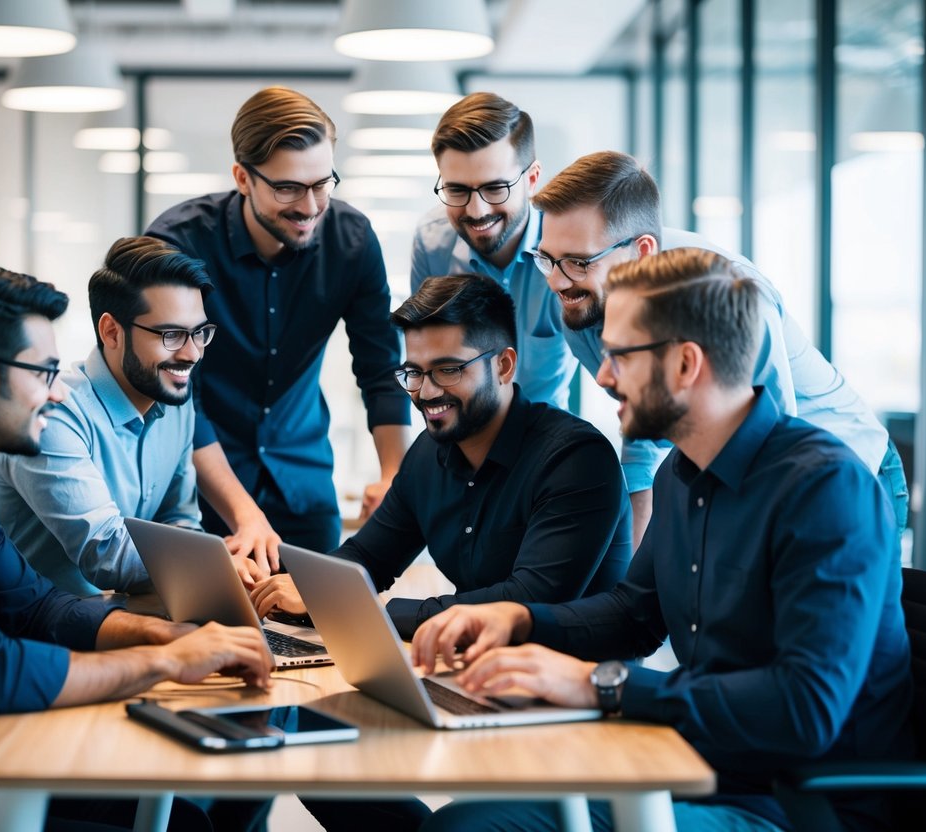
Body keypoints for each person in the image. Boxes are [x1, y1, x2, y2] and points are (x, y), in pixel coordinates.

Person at [411, 248, 913, 832]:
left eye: (619, 355)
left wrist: (598, 684)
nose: (601, 375)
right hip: (696, 766)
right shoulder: (682, 472)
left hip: (799, 806)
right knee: (470, 818)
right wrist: (518, 620)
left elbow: (803, 709)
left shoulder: (825, 489)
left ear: (685, 364)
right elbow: (634, 615)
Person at [0, 264, 273, 832]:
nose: (59, 392)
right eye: (44, 372)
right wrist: (163, 662)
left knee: (180, 821)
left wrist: (168, 634)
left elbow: (38, 607)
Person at [528, 150, 909, 549]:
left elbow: (777, 443)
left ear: (641, 251)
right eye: (548, 259)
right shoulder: (584, 307)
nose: (556, 281)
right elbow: (645, 424)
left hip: (846, 472)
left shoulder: (727, 293)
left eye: (577, 261)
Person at [251, 274, 630, 638]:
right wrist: (299, 586)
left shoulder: (575, 459)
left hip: (573, 688)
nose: (427, 392)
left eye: (448, 370)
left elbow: (527, 600)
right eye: (414, 373)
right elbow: (368, 556)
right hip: (472, 668)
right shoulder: (429, 453)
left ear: (504, 365)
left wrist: (362, 609)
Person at [147, 86, 411, 554]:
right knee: (209, 627)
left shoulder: (351, 242)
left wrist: (394, 477)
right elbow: (180, 394)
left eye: (322, 183)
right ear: (243, 178)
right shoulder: (178, 244)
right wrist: (245, 516)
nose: (309, 207)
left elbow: (380, 368)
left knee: (316, 624)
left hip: (303, 482)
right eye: (287, 187)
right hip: (202, 486)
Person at [0, 236, 273, 596]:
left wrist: (219, 582)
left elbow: (180, 523)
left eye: (200, 333)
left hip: (127, 618)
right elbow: (105, 553)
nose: (192, 354)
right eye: (171, 334)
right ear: (112, 332)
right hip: (43, 636)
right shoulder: (54, 415)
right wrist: (212, 567)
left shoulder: (176, 404)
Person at [411, 92, 576, 409]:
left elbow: (629, 374)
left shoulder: (572, 251)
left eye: (495, 188)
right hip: (461, 439)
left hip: (548, 439)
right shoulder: (432, 245)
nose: (476, 210)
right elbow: (426, 366)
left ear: (532, 179)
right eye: (457, 190)